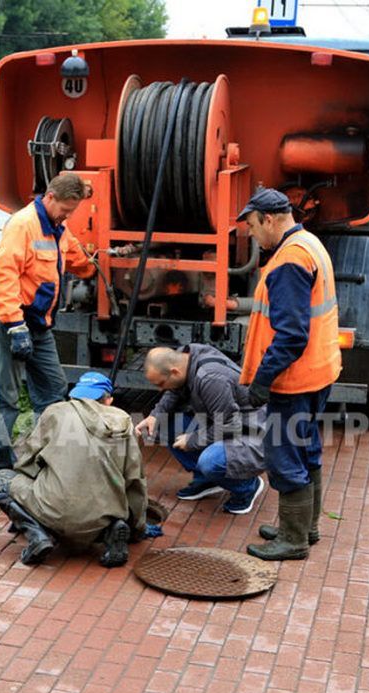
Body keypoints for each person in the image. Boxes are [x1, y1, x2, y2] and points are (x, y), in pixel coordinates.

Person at [236, 187, 341, 561]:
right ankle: (304, 527)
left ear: (268, 219)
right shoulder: (308, 243)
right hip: (319, 371)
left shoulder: (288, 263)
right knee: (307, 448)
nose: (250, 233)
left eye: (251, 225)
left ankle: (293, 540)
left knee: (284, 456)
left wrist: (261, 382)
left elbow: (292, 334)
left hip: (294, 380)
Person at [0, 372, 164, 568]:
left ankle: (38, 535)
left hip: (54, 513)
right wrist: (137, 527)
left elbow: (27, 463)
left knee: (1, 480)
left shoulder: (55, 413)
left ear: (74, 396)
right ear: (109, 400)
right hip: (105, 514)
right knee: (110, 502)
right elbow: (135, 480)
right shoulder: (124, 422)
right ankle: (111, 530)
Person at [0, 173, 96, 472]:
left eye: (72, 211)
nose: (68, 215)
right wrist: (14, 325)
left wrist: (95, 265)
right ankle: (1, 462)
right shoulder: (23, 225)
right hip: (12, 321)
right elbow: (5, 275)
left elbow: (75, 257)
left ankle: (44, 453)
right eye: (65, 209)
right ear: (49, 197)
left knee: (53, 388)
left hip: (38, 323)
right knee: (7, 395)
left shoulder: (58, 228)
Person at [134, 345, 266, 514]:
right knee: (159, 427)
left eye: (160, 383)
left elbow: (228, 425)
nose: (160, 389)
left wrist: (192, 440)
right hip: (226, 422)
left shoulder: (210, 378)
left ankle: (247, 487)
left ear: (174, 372)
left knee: (210, 462)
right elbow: (175, 390)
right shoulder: (185, 355)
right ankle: (208, 480)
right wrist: (155, 415)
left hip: (254, 434)